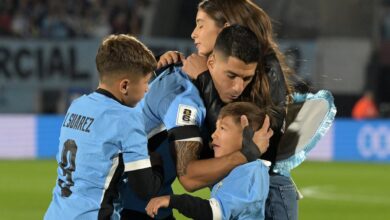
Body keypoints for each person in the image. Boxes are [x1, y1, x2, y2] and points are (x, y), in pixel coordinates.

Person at [157, 0, 301, 219]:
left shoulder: (265, 67)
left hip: (268, 194)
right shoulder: (211, 67)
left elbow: (259, 146)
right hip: (235, 188)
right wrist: (165, 64)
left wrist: (204, 79)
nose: (194, 33)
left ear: (225, 28)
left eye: (201, 24)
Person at [119, 25, 273, 219]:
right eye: (231, 75)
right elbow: (189, 178)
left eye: (246, 78)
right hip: (123, 202)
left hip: (151, 199)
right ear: (211, 62)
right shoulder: (185, 99)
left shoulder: (205, 91)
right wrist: (248, 153)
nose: (238, 87)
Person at [44, 34, 164, 220]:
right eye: (145, 82)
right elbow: (144, 189)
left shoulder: (77, 105)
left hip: (56, 214)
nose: (147, 89)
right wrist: (158, 164)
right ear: (125, 85)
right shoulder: (126, 118)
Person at [145, 102, 272, 220]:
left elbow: (215, 212)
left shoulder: (250, 172)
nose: (213, 135)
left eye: (222, 128)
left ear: (246, 135)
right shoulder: (239, 168)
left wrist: (172, 200)